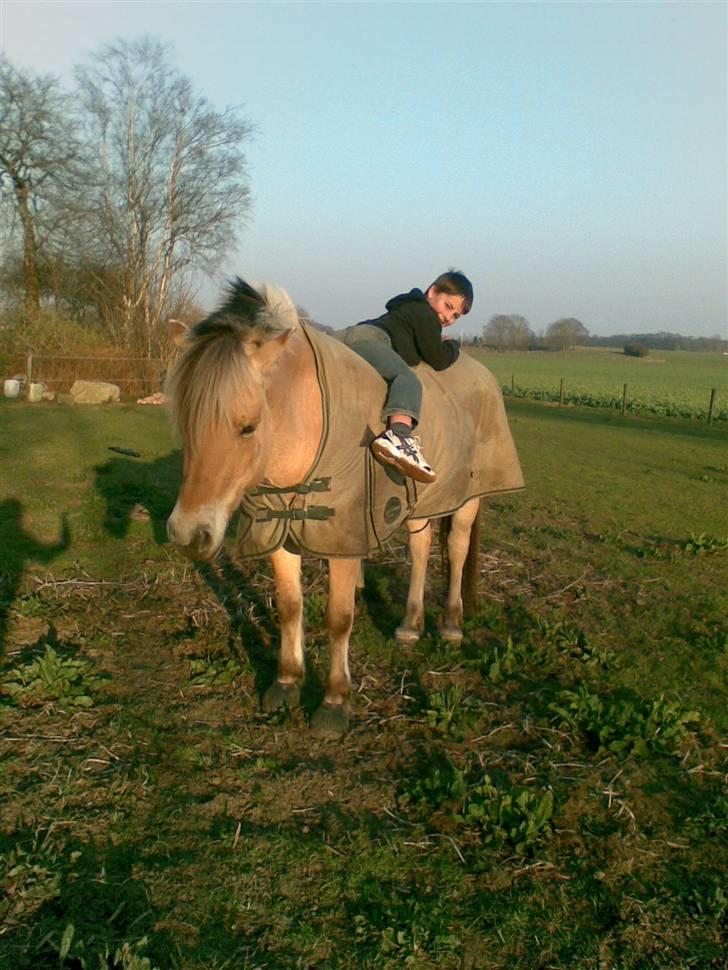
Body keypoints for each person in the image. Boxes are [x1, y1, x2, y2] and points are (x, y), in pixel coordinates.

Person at [337, 270, 473, 483]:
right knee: (407, 379)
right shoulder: (425, 314)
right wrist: (453, 345)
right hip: (372, 338)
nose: (448, 317)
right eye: (448, 306)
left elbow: (410, 352)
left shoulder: (409, 310)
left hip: (350, 335)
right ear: (433, 292)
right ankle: (399, 437)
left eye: (456, 315)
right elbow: (437, 359)